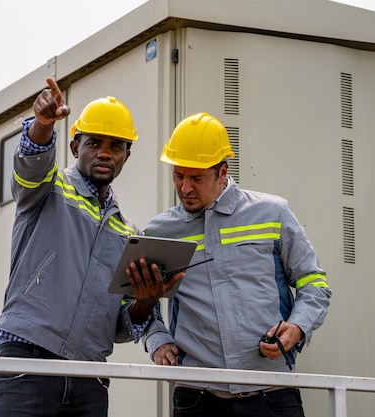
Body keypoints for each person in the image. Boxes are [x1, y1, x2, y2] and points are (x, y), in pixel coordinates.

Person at [0, 77, 179, 417]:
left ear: (126, 156)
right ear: (75, 147)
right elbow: (31, 165)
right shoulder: (47, 188)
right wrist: (43, 125)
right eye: (94, 143)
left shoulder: (127, 232)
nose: (105, 153)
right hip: (28, 363)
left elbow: (121, 324)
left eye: (116, 146)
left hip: (89, 377)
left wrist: (146, 301)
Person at [129, 112, 332, 417]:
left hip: (272, 392)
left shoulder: (273, 213)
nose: (185, 188)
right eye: (178, 175)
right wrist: (157, 339)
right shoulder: (161, 232)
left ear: (222, 172)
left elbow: (313, 282)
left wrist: (298, 326)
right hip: (197, 398)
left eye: (197, 178)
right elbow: (138, 298)